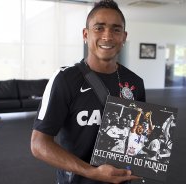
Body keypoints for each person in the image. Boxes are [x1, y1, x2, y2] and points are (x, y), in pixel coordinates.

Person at [30, 0, 146, 183]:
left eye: (116, 29)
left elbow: (137, 136)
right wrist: (92, 172)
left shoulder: (135, 83)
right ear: (86, 34)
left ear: (124, 37)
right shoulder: (64, 79)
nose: (107, 36)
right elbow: (38, 144)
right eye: (99, 28)